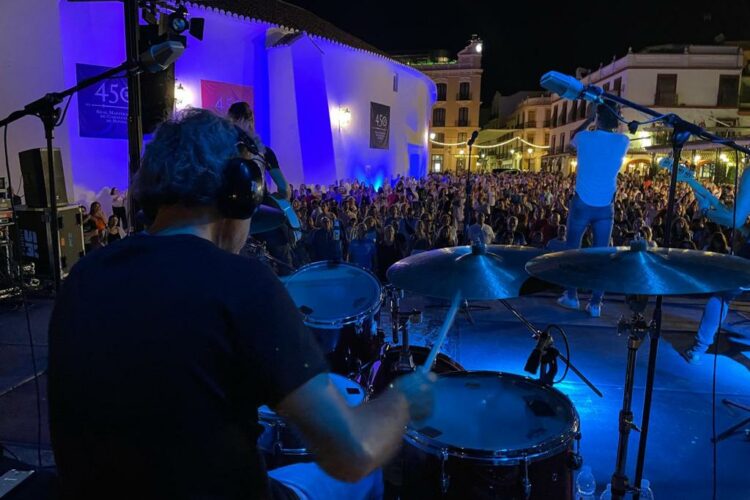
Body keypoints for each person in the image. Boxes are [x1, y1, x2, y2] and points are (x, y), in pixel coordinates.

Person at [48, 109, 435, 500]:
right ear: (240, 191)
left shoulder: (84, 276)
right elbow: (351, 453)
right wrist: (403, 400)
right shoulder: (242, 283)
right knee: (363, 478)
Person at [557, 99, 630, 318]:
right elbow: (618, 128)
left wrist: (588, 118)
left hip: (582, 203)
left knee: (572, 251)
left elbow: (571, 140)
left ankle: (571, 296)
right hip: (605, 207)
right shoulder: (623, 141)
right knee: (602, 255)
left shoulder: (584, 137)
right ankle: (596, 304)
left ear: (596, 117)